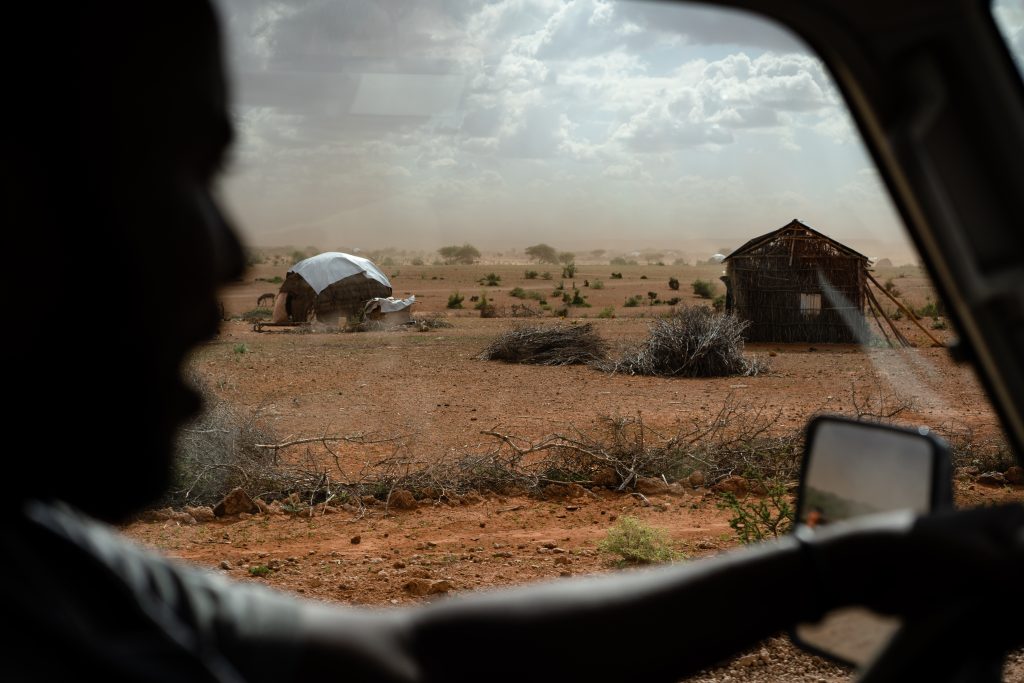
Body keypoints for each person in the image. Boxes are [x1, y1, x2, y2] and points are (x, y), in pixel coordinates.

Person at [2, 3, 1022, 681]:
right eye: (171, 170)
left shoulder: (61, 570)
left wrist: (826, 568)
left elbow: (414, 653)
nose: (228, 250)